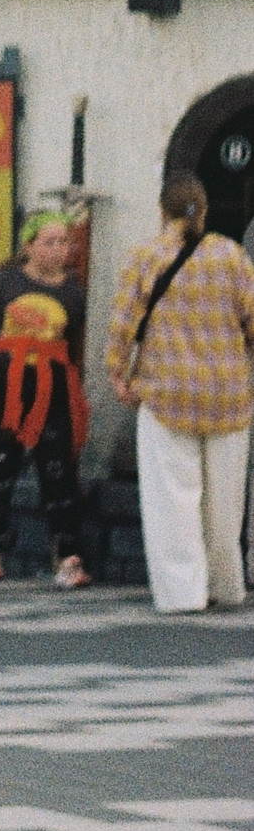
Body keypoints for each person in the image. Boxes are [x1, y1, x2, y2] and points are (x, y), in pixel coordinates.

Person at [105, 173, 254, 613]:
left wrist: (118, 374)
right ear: (203, 212)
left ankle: (182, 593)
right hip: (228, 394)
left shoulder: (144, 257)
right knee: (224, 499)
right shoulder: (230, 255)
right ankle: (226, 585)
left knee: (172, 498)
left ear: (162, 212)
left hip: (165, 392)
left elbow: (122, 325)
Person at [0, 208, 92, 591]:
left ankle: (68, 556)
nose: (59, 249)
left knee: (59, 470)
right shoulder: (3, 284)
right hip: (5, 383)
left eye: (64, 241)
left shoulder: (71, 292)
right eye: (49, 241)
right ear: (29, 246)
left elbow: (73, 344)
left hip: (51, 385)